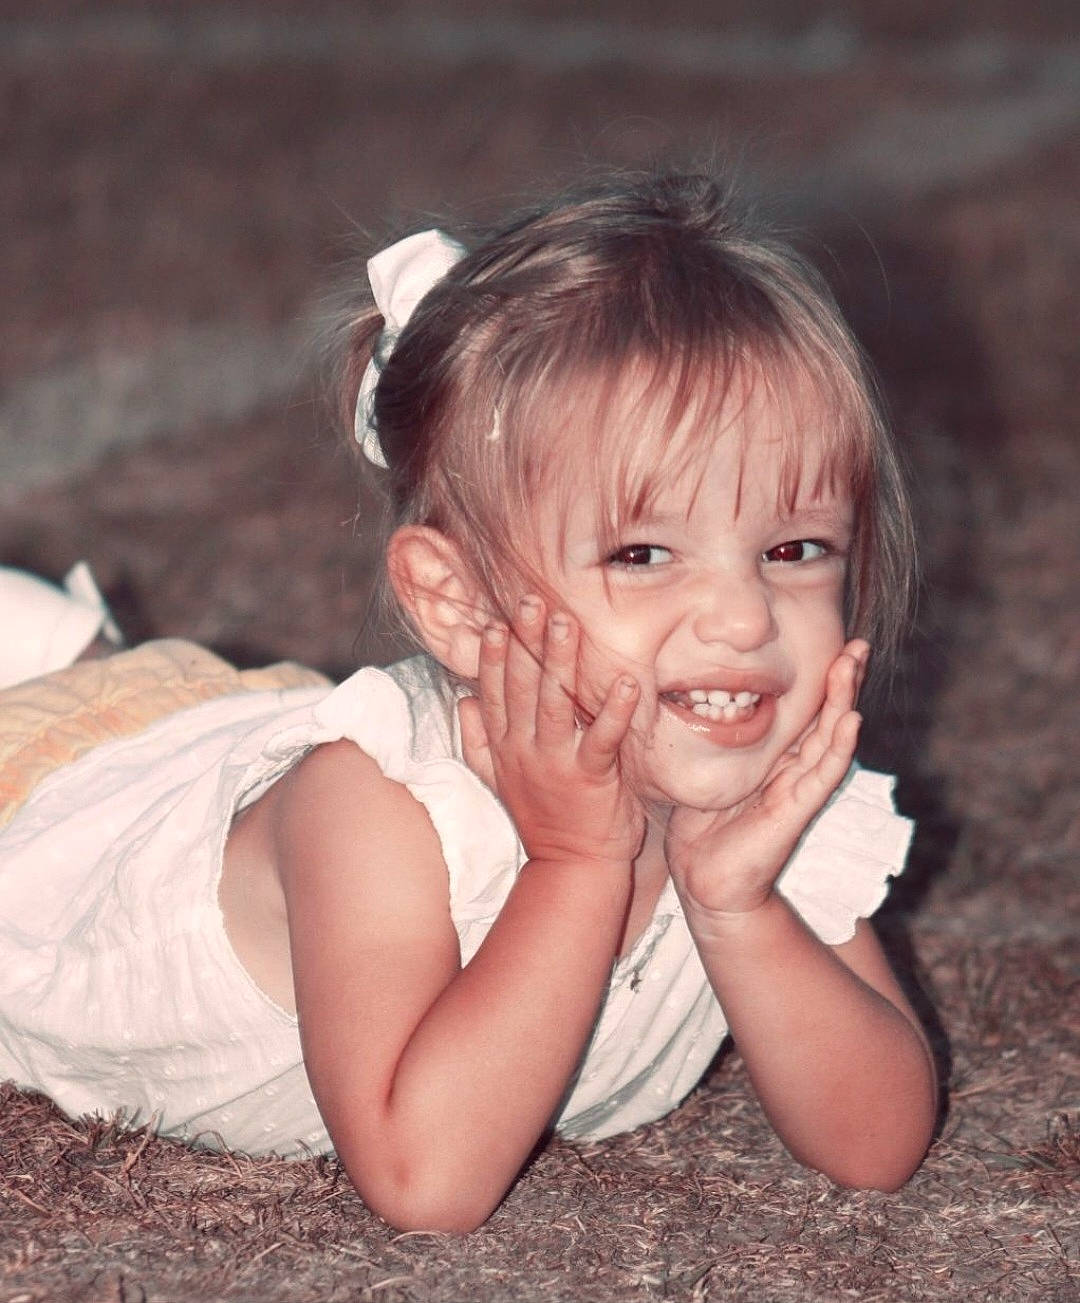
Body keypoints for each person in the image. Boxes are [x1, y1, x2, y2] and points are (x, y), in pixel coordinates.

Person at [0, 172, 937, 1233]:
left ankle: (80, 654)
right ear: (455, 602)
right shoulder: (374, 810)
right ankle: (62, 658)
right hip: (59, 818)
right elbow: (424, 1179)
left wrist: (738, 906)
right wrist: (576, 865)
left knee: (139, 697)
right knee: (74, 723)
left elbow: (876, 1146)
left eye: (794, 549)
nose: (742, 616)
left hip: (207, 737)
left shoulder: (768, 797)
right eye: (642, 554)